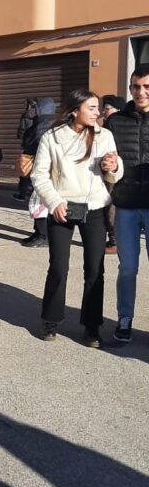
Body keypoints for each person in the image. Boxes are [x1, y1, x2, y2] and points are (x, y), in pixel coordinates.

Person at [31, 90, 122, 348]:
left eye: (98, 108)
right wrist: (54, 201)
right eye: (91, 108)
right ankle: (50, 320)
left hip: (95, 208)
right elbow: (39, 175)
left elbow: (115, 171)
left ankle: (92, 326)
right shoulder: (52, 137)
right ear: (74, 110)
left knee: (95, 269)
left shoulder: (105, 136)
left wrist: (113, 167)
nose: (97, 112)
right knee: (58, 267)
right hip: (63, 207)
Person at [105, 67, 149, 343]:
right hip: (126, 205)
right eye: (136, 87)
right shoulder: (116, 121)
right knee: (128, 267)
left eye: (146, 87)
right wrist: (107, 164)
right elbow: (104, 155)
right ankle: (124, 318)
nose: (141, 92)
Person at [20, 97, 56, 248]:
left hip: (41, 167)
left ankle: (43, 235)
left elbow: (34, 142)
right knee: (37, 201)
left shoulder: (44, 123)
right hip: (43, 166)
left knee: (38, 202)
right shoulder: (48, 121)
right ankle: (38, 232)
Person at [101, 95, 126, 254]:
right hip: (111, 170)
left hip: (117, 170)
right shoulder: (108, 124)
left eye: (107, 109)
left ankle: (114, 240)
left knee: (111, 206)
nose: (103, 112)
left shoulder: (114, 124)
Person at [14, 98, 37, 201]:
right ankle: (34, 191)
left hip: (28, 145)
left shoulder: (26, 115)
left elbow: (22, 131)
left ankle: (22, 193)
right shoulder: (40, 115)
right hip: (38, 145)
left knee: (25, 167)